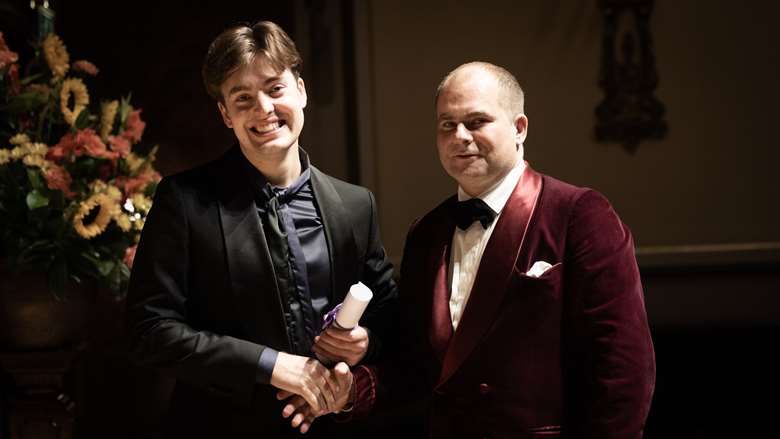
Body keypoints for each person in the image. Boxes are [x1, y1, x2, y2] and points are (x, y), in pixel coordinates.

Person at [286, 61, 656, 438]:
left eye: (476, 122)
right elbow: (414, 368)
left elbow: (623, 372)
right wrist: (349, 391)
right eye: (447, 124)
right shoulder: (426, 233)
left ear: (519, 128)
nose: (460, 136)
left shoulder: (579, 214)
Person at [125, 21, 397, 438]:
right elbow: (150, 331)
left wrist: (366, 343)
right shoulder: (183, 200)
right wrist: (272, 366)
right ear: (225, 114)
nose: (264, 109)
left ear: (301, 91)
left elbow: (391, 318)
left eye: (274, 89)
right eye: (243, 98)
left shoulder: (357, 204)